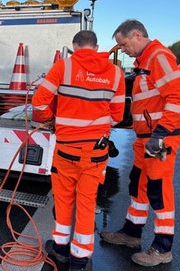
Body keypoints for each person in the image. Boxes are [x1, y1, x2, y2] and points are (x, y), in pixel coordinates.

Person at [32, 30, 126, 271]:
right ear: (96, 47)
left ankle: (61, 251)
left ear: (75, 46)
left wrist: (50, 120)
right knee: (86, 205)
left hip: (65, 150)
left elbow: (39, 103)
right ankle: (80, 260)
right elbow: (117, 115)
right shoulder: (116, 73)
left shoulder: (64, 67)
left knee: (63, 202)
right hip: (95, 153)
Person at [100, 19, 180, 267]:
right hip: (147, 136)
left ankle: (163, 248)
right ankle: (131, 233)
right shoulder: (144, 62)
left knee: (158, 187)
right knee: (138, 183)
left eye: (124, 44)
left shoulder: (158, 57)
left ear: (138, 35)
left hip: (161, 136)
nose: (123, 49)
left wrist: (160, 133)